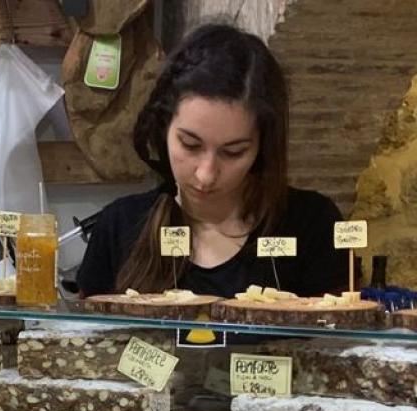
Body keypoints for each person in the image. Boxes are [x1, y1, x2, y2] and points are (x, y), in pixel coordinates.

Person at [77, 23, 349, 299]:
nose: (206, 175)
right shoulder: (121, 224)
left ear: (263, 146)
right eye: (190, 145)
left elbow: (340, 338)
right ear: (163, 128)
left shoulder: (310, 223)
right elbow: (89, 339)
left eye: (233, 152)